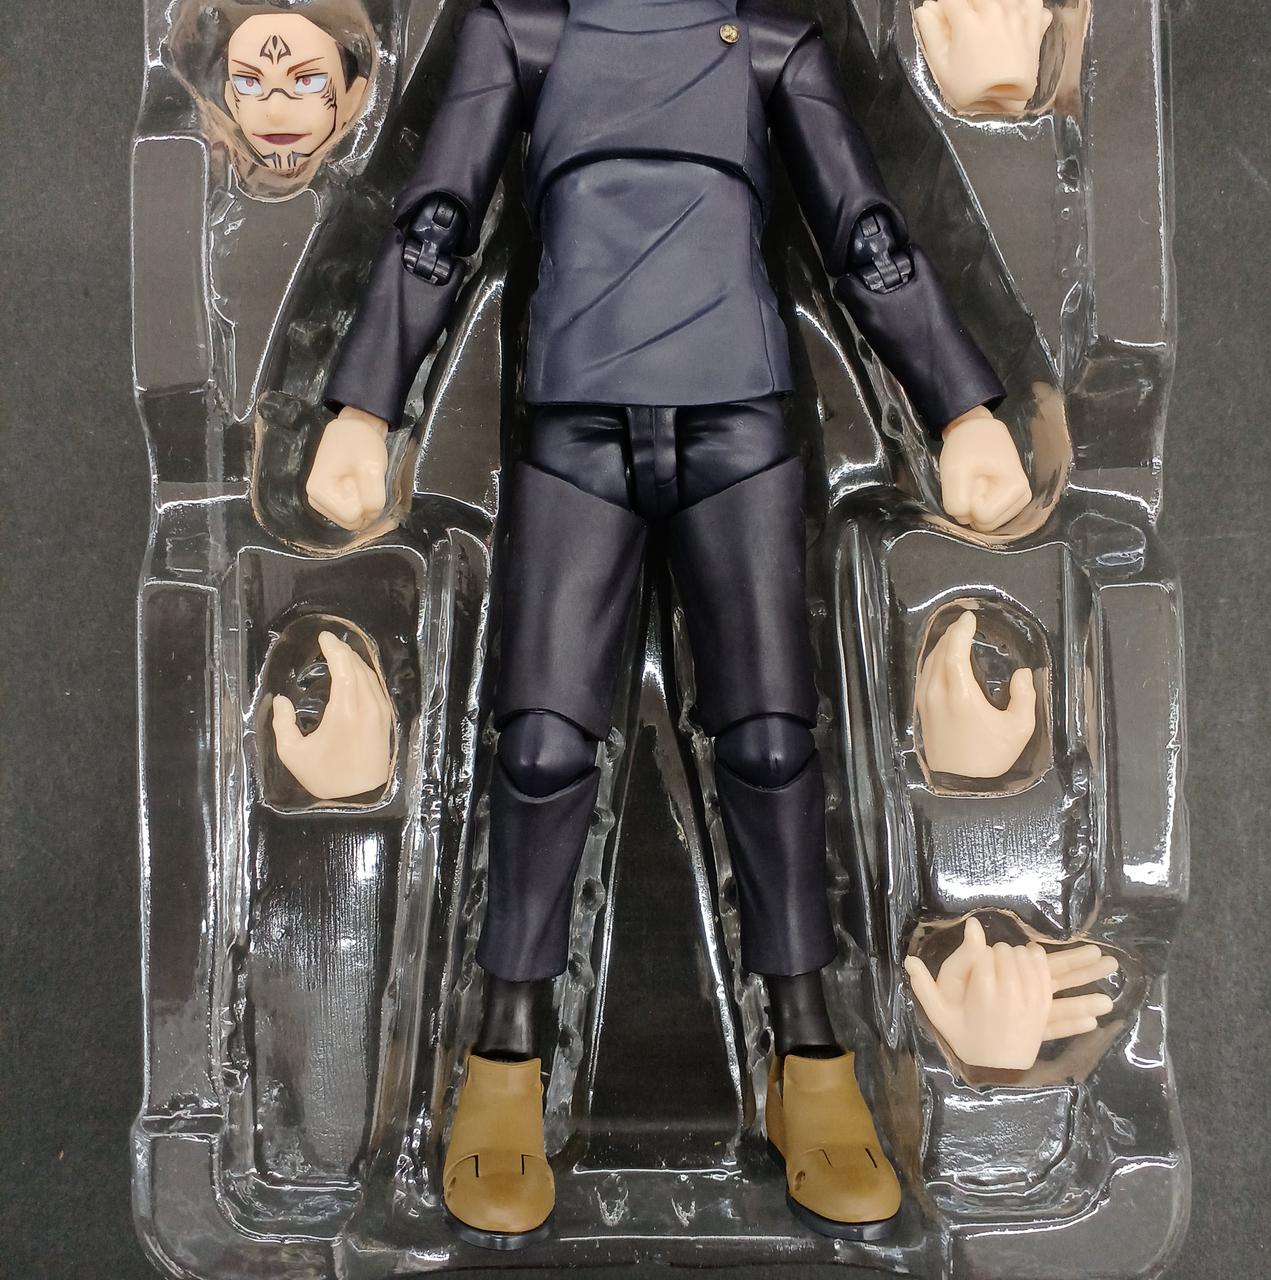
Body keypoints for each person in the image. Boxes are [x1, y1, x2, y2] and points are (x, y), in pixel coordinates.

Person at [301, 0, 1033, 1248]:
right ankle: (504, 1052)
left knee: (771, 744)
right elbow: (435, 223)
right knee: (539, 747)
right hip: (571, 428)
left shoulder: (771, 50)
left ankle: (811, 1052)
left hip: (738, 425)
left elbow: (863, 234)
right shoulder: (520, 38)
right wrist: (365, 404)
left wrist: (957, 404)